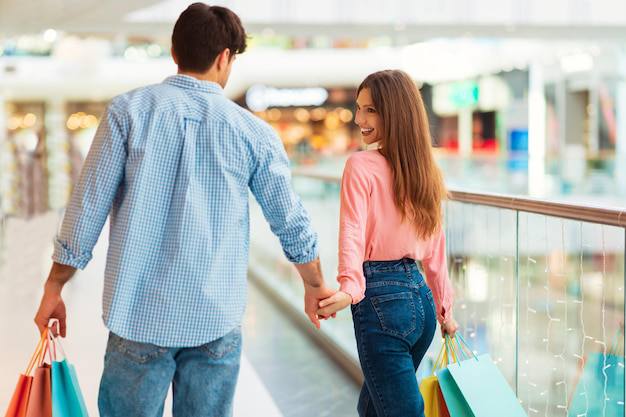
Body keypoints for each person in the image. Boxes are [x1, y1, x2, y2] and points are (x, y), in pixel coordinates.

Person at [33, 3, 334, 417]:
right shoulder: (253, 133)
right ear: (225, 57)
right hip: (215, 318)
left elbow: (87, 208)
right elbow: (290, 220)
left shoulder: (127, 112)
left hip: (137, 315)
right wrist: (314, 283)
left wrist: (55, 287)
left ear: (175, 53)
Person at [317, 69, 458, 417]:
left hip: (381, 302)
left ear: (395, 113)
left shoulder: (361, 165)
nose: (358, 118)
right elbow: (436, 250)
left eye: (371, 110)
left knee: (399, 408)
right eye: (359, 108)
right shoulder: (426, 170)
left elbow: (351, 231)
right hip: (420, 301)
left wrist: (350, 287)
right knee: (376, 404)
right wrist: (444, 310)